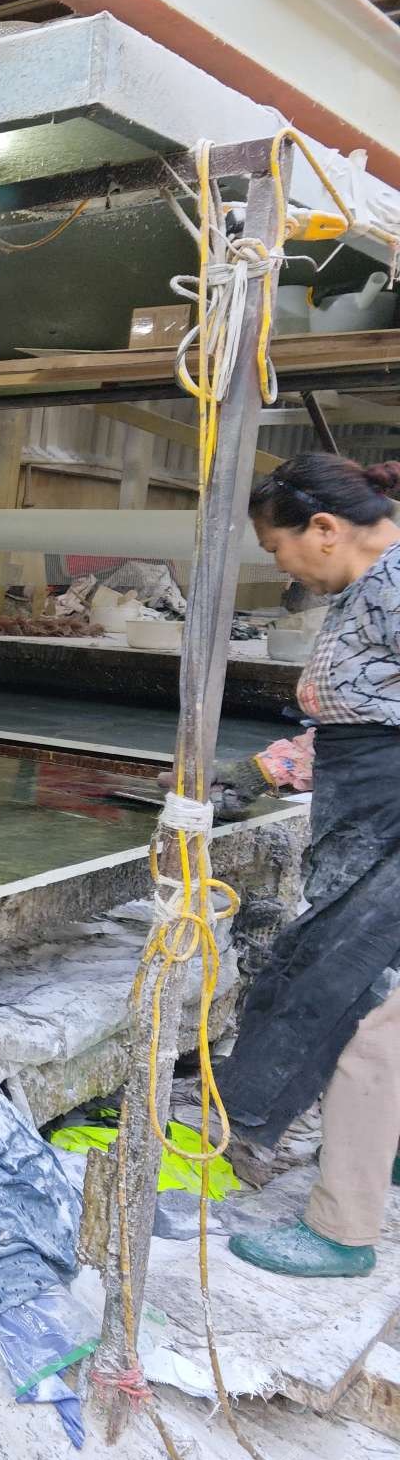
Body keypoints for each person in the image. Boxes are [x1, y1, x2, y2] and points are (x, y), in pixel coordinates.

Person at [214, 453, 400, 1278]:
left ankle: (340, 1229)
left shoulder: (394, 584)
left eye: (277, 547)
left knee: (350, 1002)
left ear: (323, 529)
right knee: (352, 988)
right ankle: (383, 1157)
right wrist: (271, 769)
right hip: (370, 801)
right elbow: (371, 717)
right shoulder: (370, 590)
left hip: (389, 815)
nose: (282, 567)